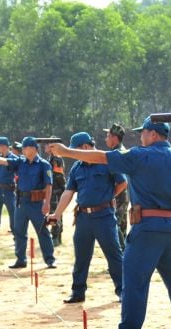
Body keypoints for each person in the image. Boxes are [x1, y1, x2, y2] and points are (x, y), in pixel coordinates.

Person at [48, 116, 171, 329]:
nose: (141, 136)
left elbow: (101, 157)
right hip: (170, 227)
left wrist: (67, 152)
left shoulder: (139, 155)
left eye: (144, 132)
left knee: (135, 282)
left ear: (153, 134)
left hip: (146, 228)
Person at [48, 132, 127, 303]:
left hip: (104, 216)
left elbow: (123, 182)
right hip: (83, 217)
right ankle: (78, 292)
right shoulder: (77, 167)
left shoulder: (107, 162)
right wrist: (57, 214)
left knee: (113, 255)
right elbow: (68, 193)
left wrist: (108, 196)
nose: (74, 154)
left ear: (85, 147)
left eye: (75, 150)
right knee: (81, 256)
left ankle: (122, 291)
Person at [0, 136, 56, 269]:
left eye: (25, 148)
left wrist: (47, 203)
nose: (23, 151)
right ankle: (21, 259)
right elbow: (2, 161)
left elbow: (49, 185)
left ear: (32, 149)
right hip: (21, 202)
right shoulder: (20, 162)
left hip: (37, 203)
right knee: (19, 231)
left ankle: (49, 259)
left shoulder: (44, 165)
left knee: (42, 231)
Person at [0, 137, 18, 246]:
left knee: (13, 216)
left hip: (8, 190)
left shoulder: (14, 159)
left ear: (4, 146)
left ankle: (17, 239)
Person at [104, 123, 130, 250]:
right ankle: (123, 259)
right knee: (121, 228)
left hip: (118, 196)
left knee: (115, 228)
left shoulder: (116, 154)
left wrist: (110, 196)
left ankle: (121, 258)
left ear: (114, 137)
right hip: (123, 196)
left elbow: (122, 181)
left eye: (108, 136)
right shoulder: (122, 151)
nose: (106, 139)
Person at [44, 139, 66, 247]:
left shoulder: (56, 158)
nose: (45, 147)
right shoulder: (51, 158)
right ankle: (57, 236)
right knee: (55, 212)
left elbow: (59, 176)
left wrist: (63, 189)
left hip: (56, 190)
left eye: (47, 145)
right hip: (53, 190)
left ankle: (56, 237)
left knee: (55, 212)